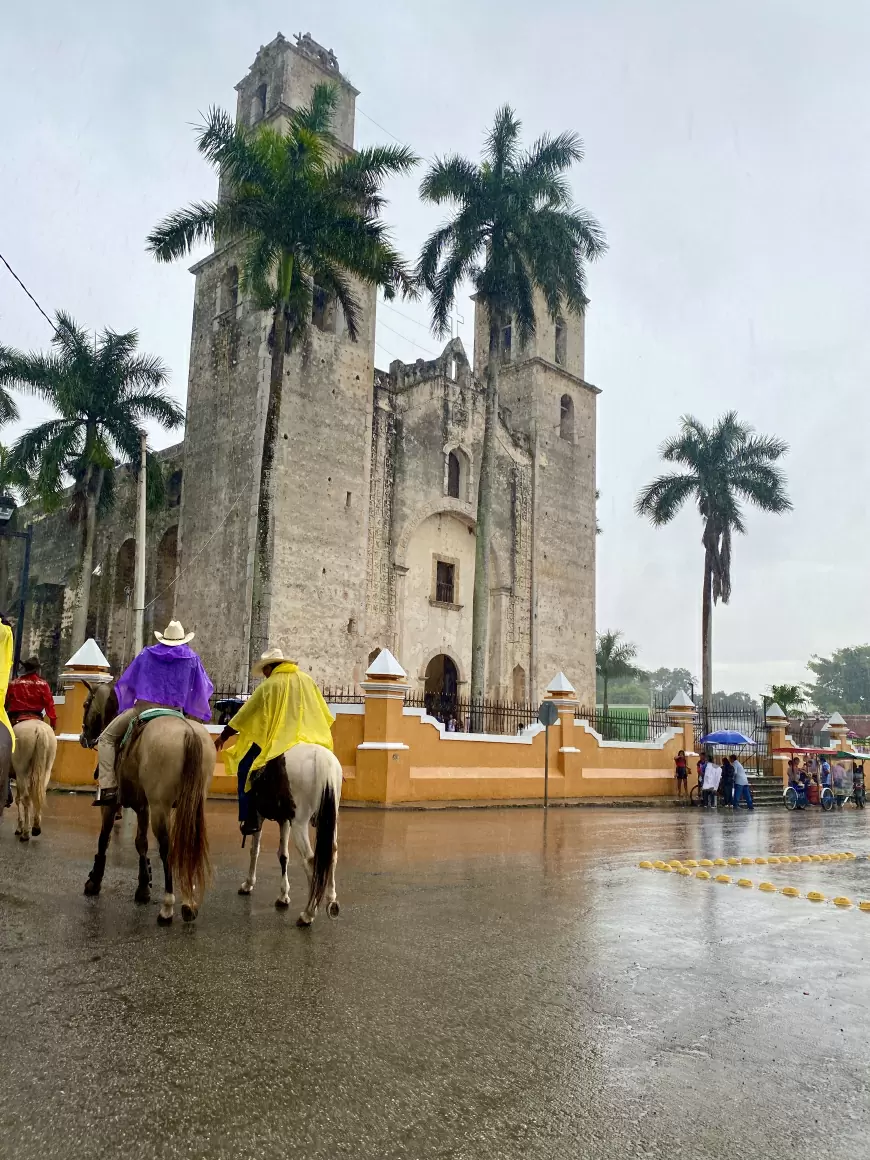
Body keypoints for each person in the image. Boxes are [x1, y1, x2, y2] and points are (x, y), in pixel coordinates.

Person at [216, 648, 335, 837]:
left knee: (245, 768)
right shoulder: (307, 680)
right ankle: (318, 812)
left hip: (277, 740)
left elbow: (245, 714)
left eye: (265, 669)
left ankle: (250, 818)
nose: (264, 673)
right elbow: (324, 712)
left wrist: (224, 735)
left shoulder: (268, 686)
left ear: (272, 667)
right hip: (311, 737)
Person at [95, 620, 214, 807]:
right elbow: (202, 688)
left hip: (144, 709)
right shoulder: (191, 658)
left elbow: (129, 681)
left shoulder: (146, 654)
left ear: (164, 638)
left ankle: (108, 787)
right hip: (175, 712)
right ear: (182, 639)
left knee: (106, 739)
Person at [6, 656, 57, 730]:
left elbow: (6, 701)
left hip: (16, 716)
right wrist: (53, 721)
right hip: (36, 715)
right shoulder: (43, 684)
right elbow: (49, 704)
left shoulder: (14, 683)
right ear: (37, 670)